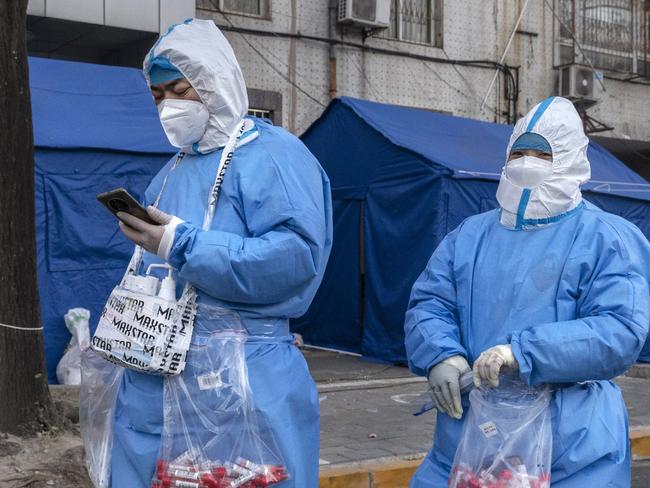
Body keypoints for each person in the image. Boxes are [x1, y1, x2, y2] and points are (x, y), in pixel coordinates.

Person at [110, 19, 332, 487]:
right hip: (159, 368)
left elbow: (295, 261)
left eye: (179, 89)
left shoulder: (274, 155)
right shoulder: (170, 173)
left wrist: (183, 243)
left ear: (214, 83)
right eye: (157, 96)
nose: (168, 105)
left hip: (245, 379)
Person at [404, 96, 650, 487]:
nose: (526, 163)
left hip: (572, 445)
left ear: (570, 158)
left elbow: (619, 331)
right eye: (519, 152)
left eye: (542, 153)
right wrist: (440, 353)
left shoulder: (608, 238)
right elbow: (430, 302)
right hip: (470, 440)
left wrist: (521, 352)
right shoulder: (470, 236)